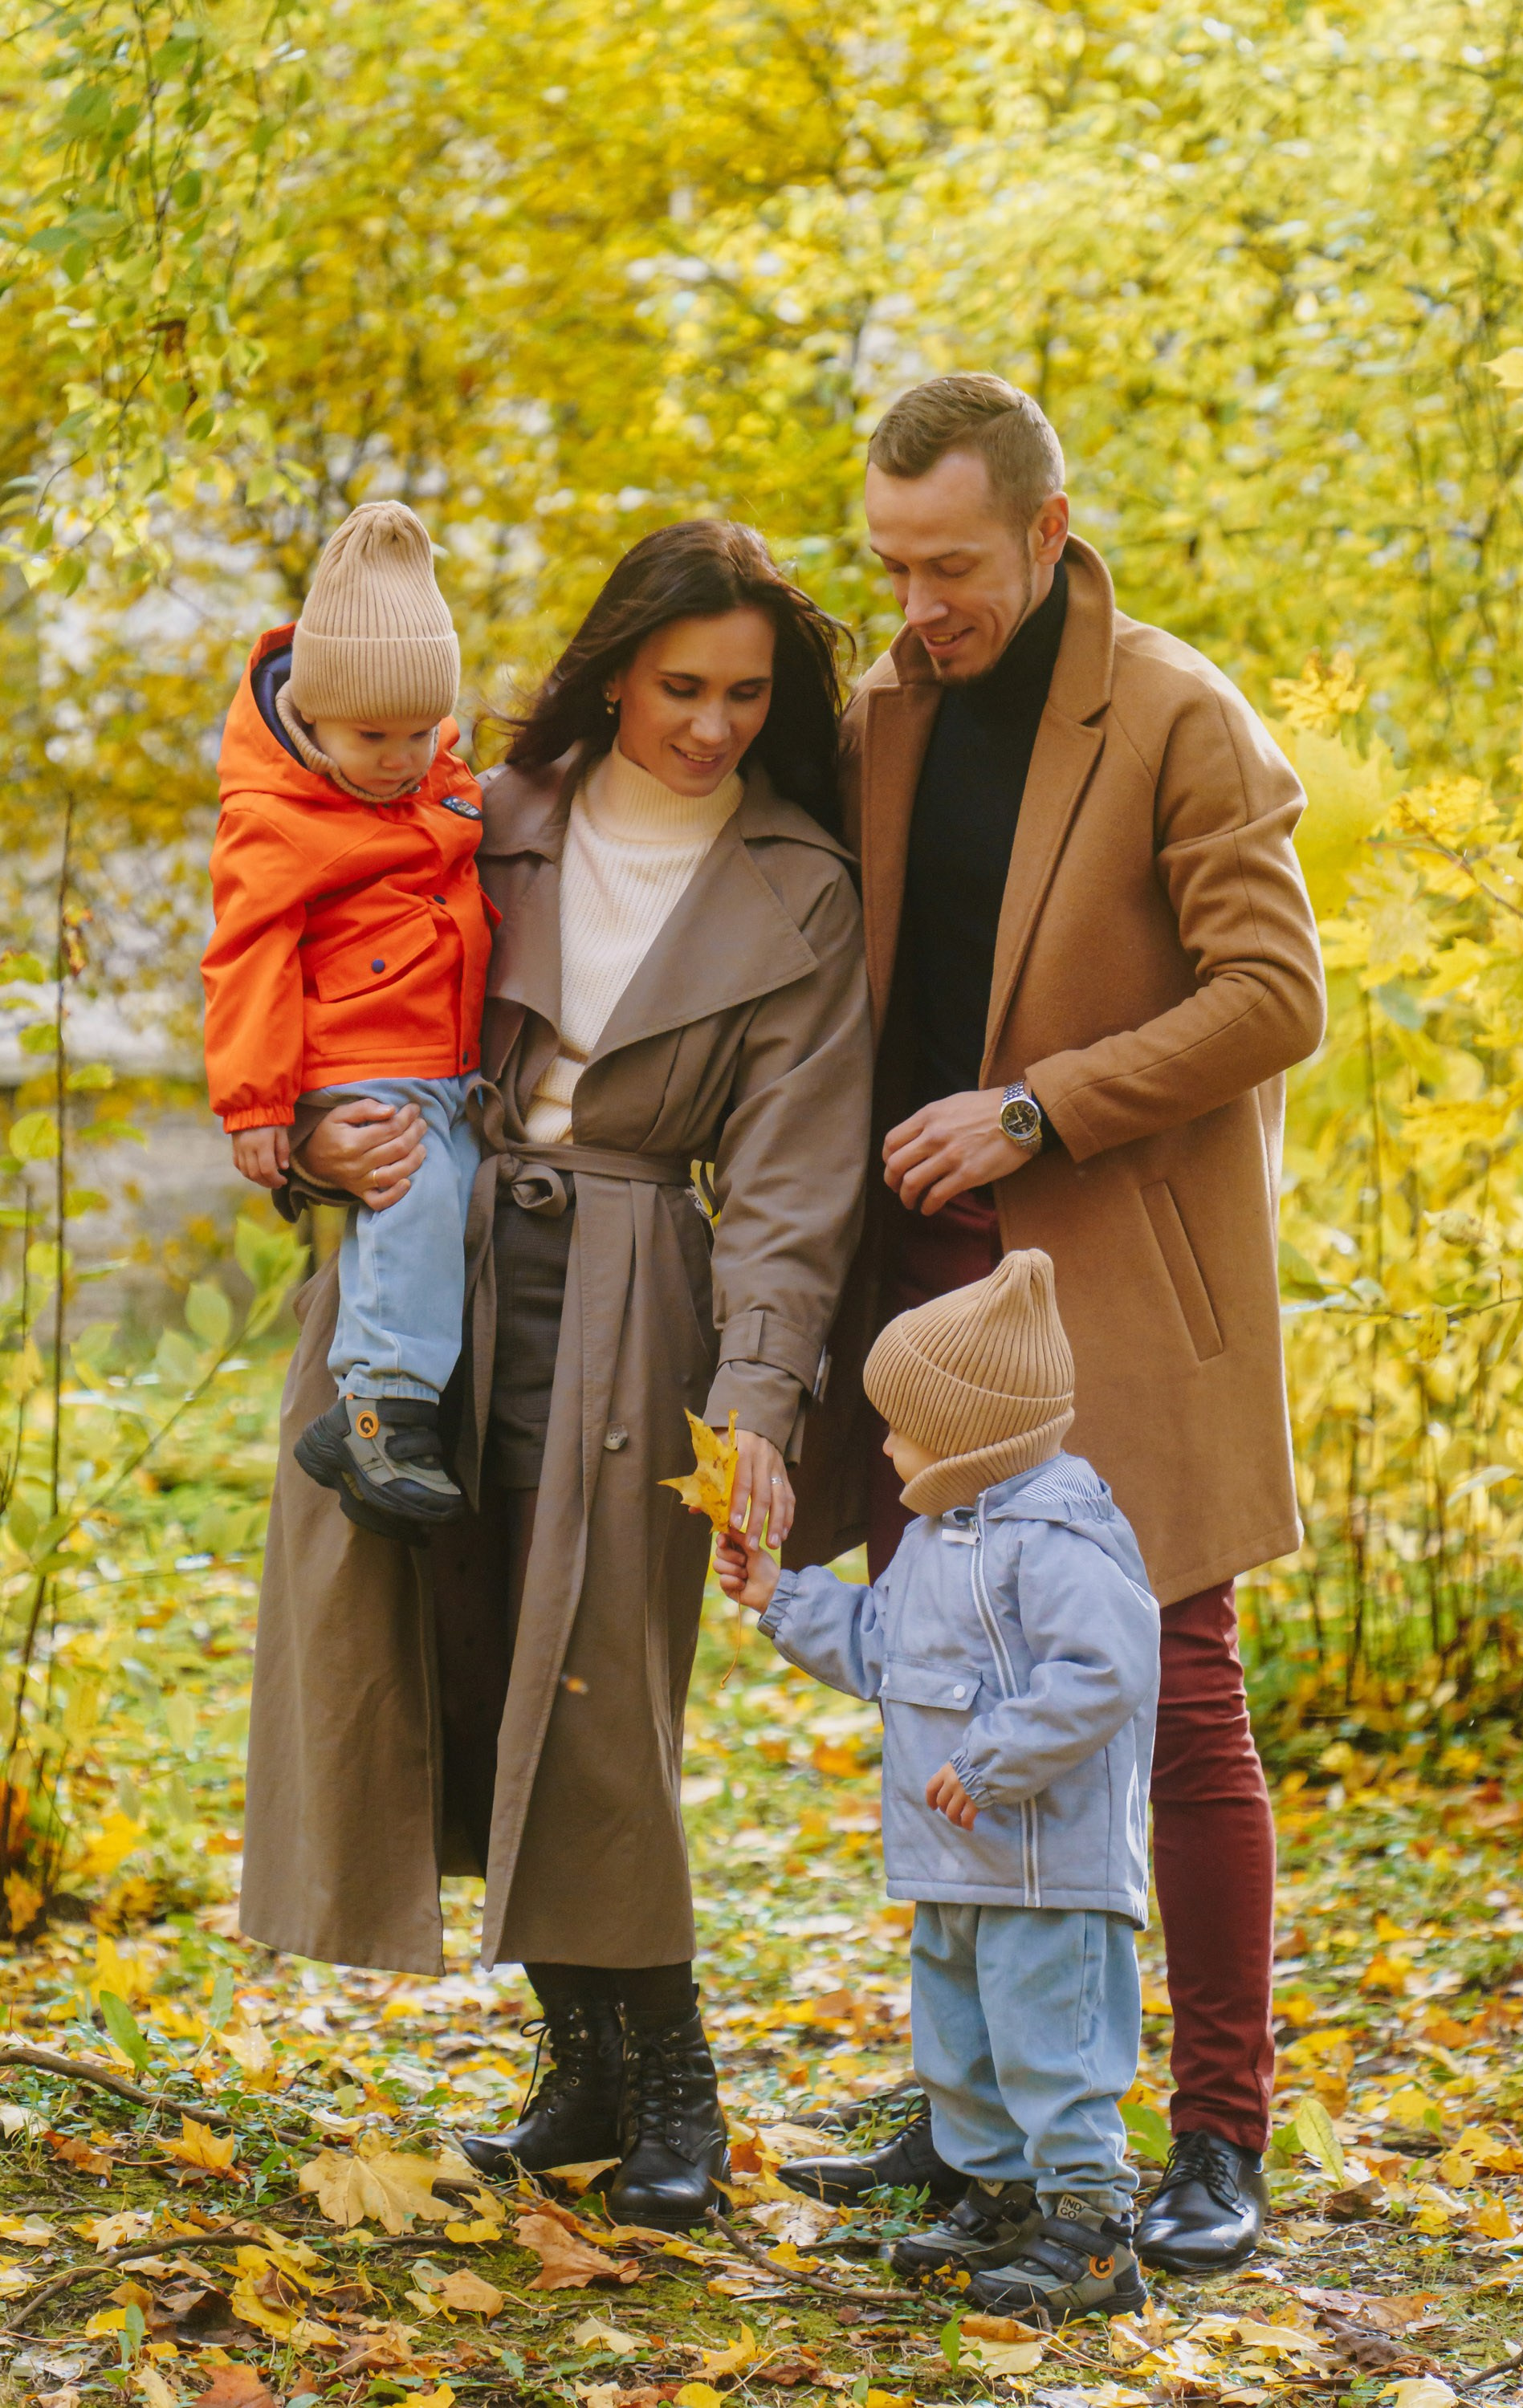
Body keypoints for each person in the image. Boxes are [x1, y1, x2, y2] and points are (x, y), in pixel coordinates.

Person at [237, 519, 873, 2231]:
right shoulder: (476, 814)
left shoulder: (799, 882)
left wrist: (756, 1399)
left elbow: (799, 1181)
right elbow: (298, 981)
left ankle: (675, 2088)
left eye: (747, 694)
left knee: (593, 1677)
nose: (713, 724)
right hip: (420, 1283)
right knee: (451, 1653)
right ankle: (580, 2073)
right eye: (681, 686)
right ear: (610, 673)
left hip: (637, 1289)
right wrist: (303, 1133)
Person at [785, 375, 1326, 2275]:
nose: (919, 602)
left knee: (1172, 1695)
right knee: (945, 1692)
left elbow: (1277, 996)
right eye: (889, 566)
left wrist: (1036, 1108)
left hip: (1119, 1295)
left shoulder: (1179, 712)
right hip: (923, 1296)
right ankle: (984, 2131)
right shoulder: (879, 722)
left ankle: (1216, 2139)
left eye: (948, 565)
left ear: (1043, 523)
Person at [719, 1251, 1159, 2321]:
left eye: (901, 1425)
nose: (885, 1445)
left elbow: (1108, 1669)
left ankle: (1093, 2231)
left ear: (975, 1434)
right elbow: (881, 1646)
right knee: (960, 2045)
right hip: (954, 1865)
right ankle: (1003, 2195)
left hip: (1048, 1864)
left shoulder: (1056, 1539)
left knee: (1052, 2044)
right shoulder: (933, 1537)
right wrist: (784, 1598)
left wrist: (993, 1761)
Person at [202, 500, 491, 1538]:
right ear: (315, 716)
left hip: (441, 1057)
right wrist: (255, 1104)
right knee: (410, 1194)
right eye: (373, 736)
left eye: (421, 732)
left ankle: (367, 1414)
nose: (400, 757)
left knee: (445, 1199)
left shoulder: (438, 784)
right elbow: (245, 958)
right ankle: (381, 1412)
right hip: (356, 1056)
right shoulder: (277, 819)